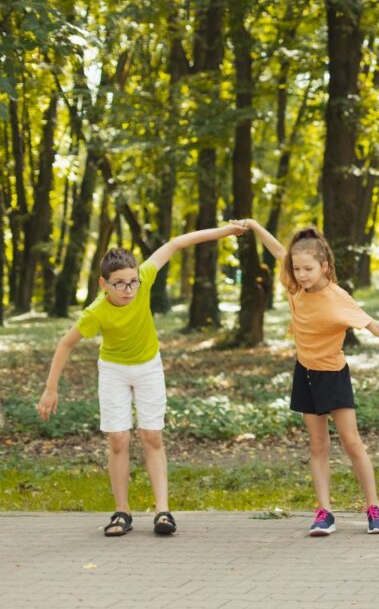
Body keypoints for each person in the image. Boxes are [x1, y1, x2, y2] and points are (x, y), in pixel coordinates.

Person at [37, 224, 245, 536]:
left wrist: (226, 230)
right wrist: (50, 389)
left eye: (132, 282)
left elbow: (176, 242)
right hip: (114, 371)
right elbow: (66, 343)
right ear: (104, 284)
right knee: (118, 439)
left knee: (152, 436)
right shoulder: (96, 311)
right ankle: (122, 513)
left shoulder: (144, 278)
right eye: (119, 284)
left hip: (148, 366)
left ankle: (163, 512)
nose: (128, 289)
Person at [242, 219, 379, 536]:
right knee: (318, 445)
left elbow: (376, 327)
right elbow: (277, 251)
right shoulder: (293, 287)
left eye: (308, 270)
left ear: (324, 267)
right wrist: (255, 226)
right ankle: (324, 512)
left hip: (334, 375)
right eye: (297, 269)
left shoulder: (338, 296)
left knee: (352, 442)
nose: (301, 275)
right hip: (306, 374)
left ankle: (374, 507)